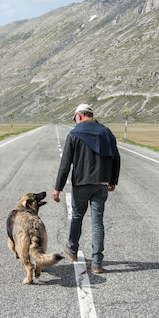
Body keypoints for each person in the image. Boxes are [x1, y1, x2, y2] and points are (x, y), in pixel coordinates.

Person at [53, 104, 120, 274]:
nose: (76, 121)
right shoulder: (107, 132)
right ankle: (97, 262)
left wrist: (57, 188)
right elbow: (116, 158)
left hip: (81, 184)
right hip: (101, 184)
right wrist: (112, 180)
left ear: (80, 116)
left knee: (77, 216)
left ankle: (73, 250)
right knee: (97, 222)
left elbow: (65, 164)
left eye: (75, 118)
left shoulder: (75, 134)